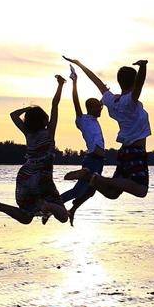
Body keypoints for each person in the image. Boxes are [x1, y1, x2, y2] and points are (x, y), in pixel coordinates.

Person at [0, 75, 70, 224]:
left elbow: (13, 115)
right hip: (42, 179)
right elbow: (55, 105)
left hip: (26, 177)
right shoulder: (49, 132)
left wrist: (27, 109)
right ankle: (47, 206)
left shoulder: (28, 133)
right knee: (63, 216)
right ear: (44, 120)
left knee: (26, 217)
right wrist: (60, 85)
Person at [62, 57, 151, 200]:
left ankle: (92, 177)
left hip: (125, 152)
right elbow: (140, 84)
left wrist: (80, 64)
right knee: (141, 190)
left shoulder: (112, 101)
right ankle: (92, 176)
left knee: (113, 193)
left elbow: (96, 81)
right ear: (133, 83)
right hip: (136, 151)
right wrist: (143, 67)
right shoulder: (130, 101)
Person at [57, 68, 106, 225]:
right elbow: (76, 102)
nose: (101, 109)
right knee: (79, 190)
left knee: (90, 192)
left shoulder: (95, 118)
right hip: (92, 159)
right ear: (91, 108)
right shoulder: (82, 120)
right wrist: (74, 82)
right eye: (98, 107)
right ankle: (55, 203)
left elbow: (105, 99)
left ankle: (71, 209)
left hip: (99, 161)